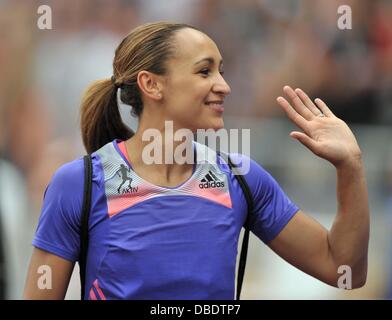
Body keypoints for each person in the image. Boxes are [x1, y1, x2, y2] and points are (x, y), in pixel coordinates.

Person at [23, 21, 369, 300]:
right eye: (205, 72)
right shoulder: (78, 184)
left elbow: (344, 270)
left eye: (221, 70)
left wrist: (350, 167)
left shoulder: (242, 179)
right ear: (152, 85)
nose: (224, 85)